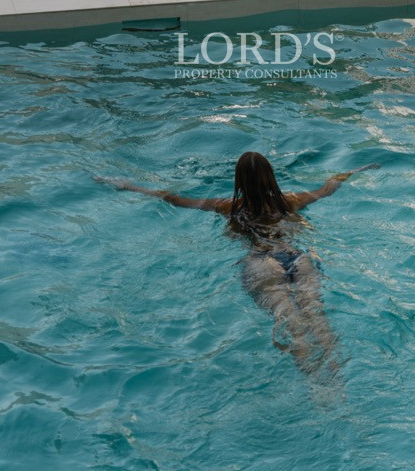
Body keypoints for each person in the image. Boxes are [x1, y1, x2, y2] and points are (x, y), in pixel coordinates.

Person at [95, 151, 377, 376]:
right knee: (317, 316)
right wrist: (353, 171)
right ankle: (338, 377)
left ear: (239, 180)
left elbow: (172, 198)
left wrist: (127, 185)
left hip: (262, 262)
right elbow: (329, 187)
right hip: (296, 257)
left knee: (292, 324)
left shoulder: (228, 206)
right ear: (271, 176)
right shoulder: (291, 201)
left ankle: (316, 387)